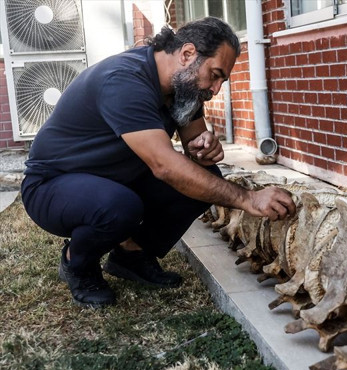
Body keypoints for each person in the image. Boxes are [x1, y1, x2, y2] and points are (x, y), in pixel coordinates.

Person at [20, 17, 295, 308]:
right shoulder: (125, 81)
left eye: (221, 81)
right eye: (214, 75)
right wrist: (248, 199)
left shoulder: (185, 86)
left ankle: (131, 255)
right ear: (187, 54)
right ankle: (76, 263)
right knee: (121, 206)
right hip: (52, 186)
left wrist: (204, 146)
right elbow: (164, 166)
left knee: (206, 177)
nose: (215, 89)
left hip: (115, 179)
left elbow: (194, 148)